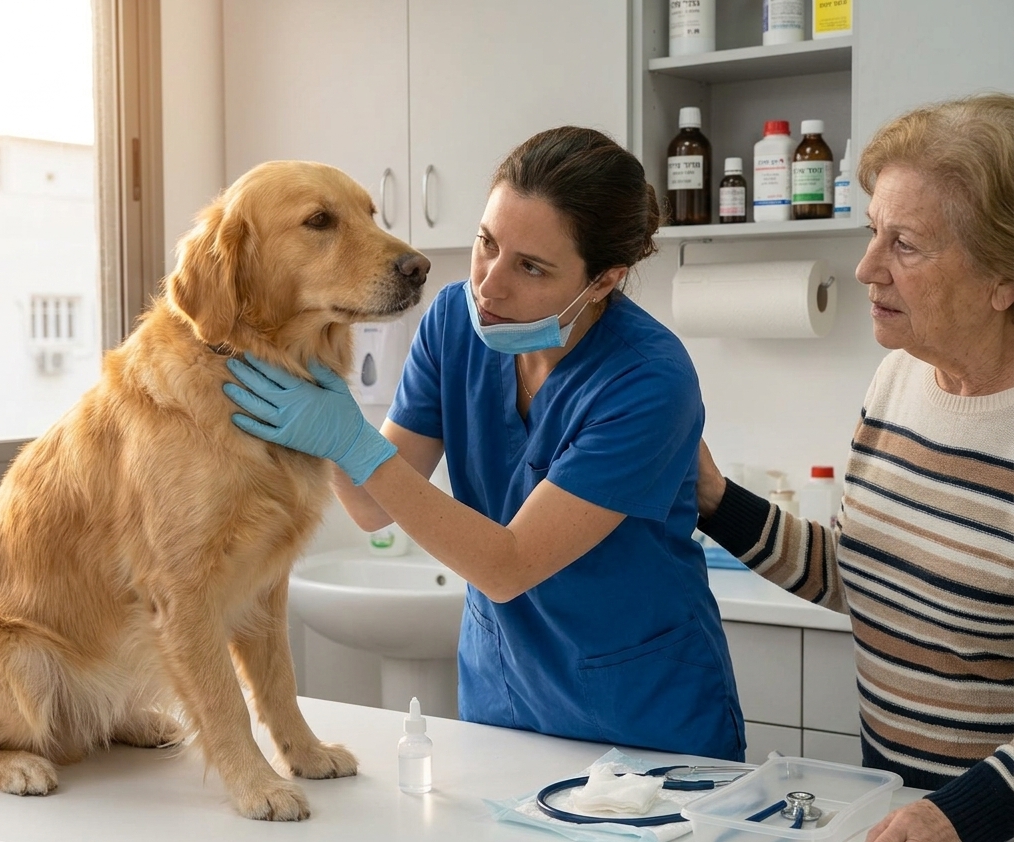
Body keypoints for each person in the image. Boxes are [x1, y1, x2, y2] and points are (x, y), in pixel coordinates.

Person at [223, 126, 746, 762]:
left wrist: (350, 440)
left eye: (531, 267)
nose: (489, 286)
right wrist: (305, 386)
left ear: (604, 280)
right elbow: (369, 505)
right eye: (487, 244)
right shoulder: (454, 323)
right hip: (502, 704)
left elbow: (507, 567)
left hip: (643, 717)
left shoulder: (647, 379)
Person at [695, 93, 1014, 842]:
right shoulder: (899, 379)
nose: (867, 268)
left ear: (1003, 277)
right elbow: (859, 576)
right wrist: (716, 500)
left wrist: (960, 813)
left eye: (906, 245)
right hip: (898, 807)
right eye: (874, 233)